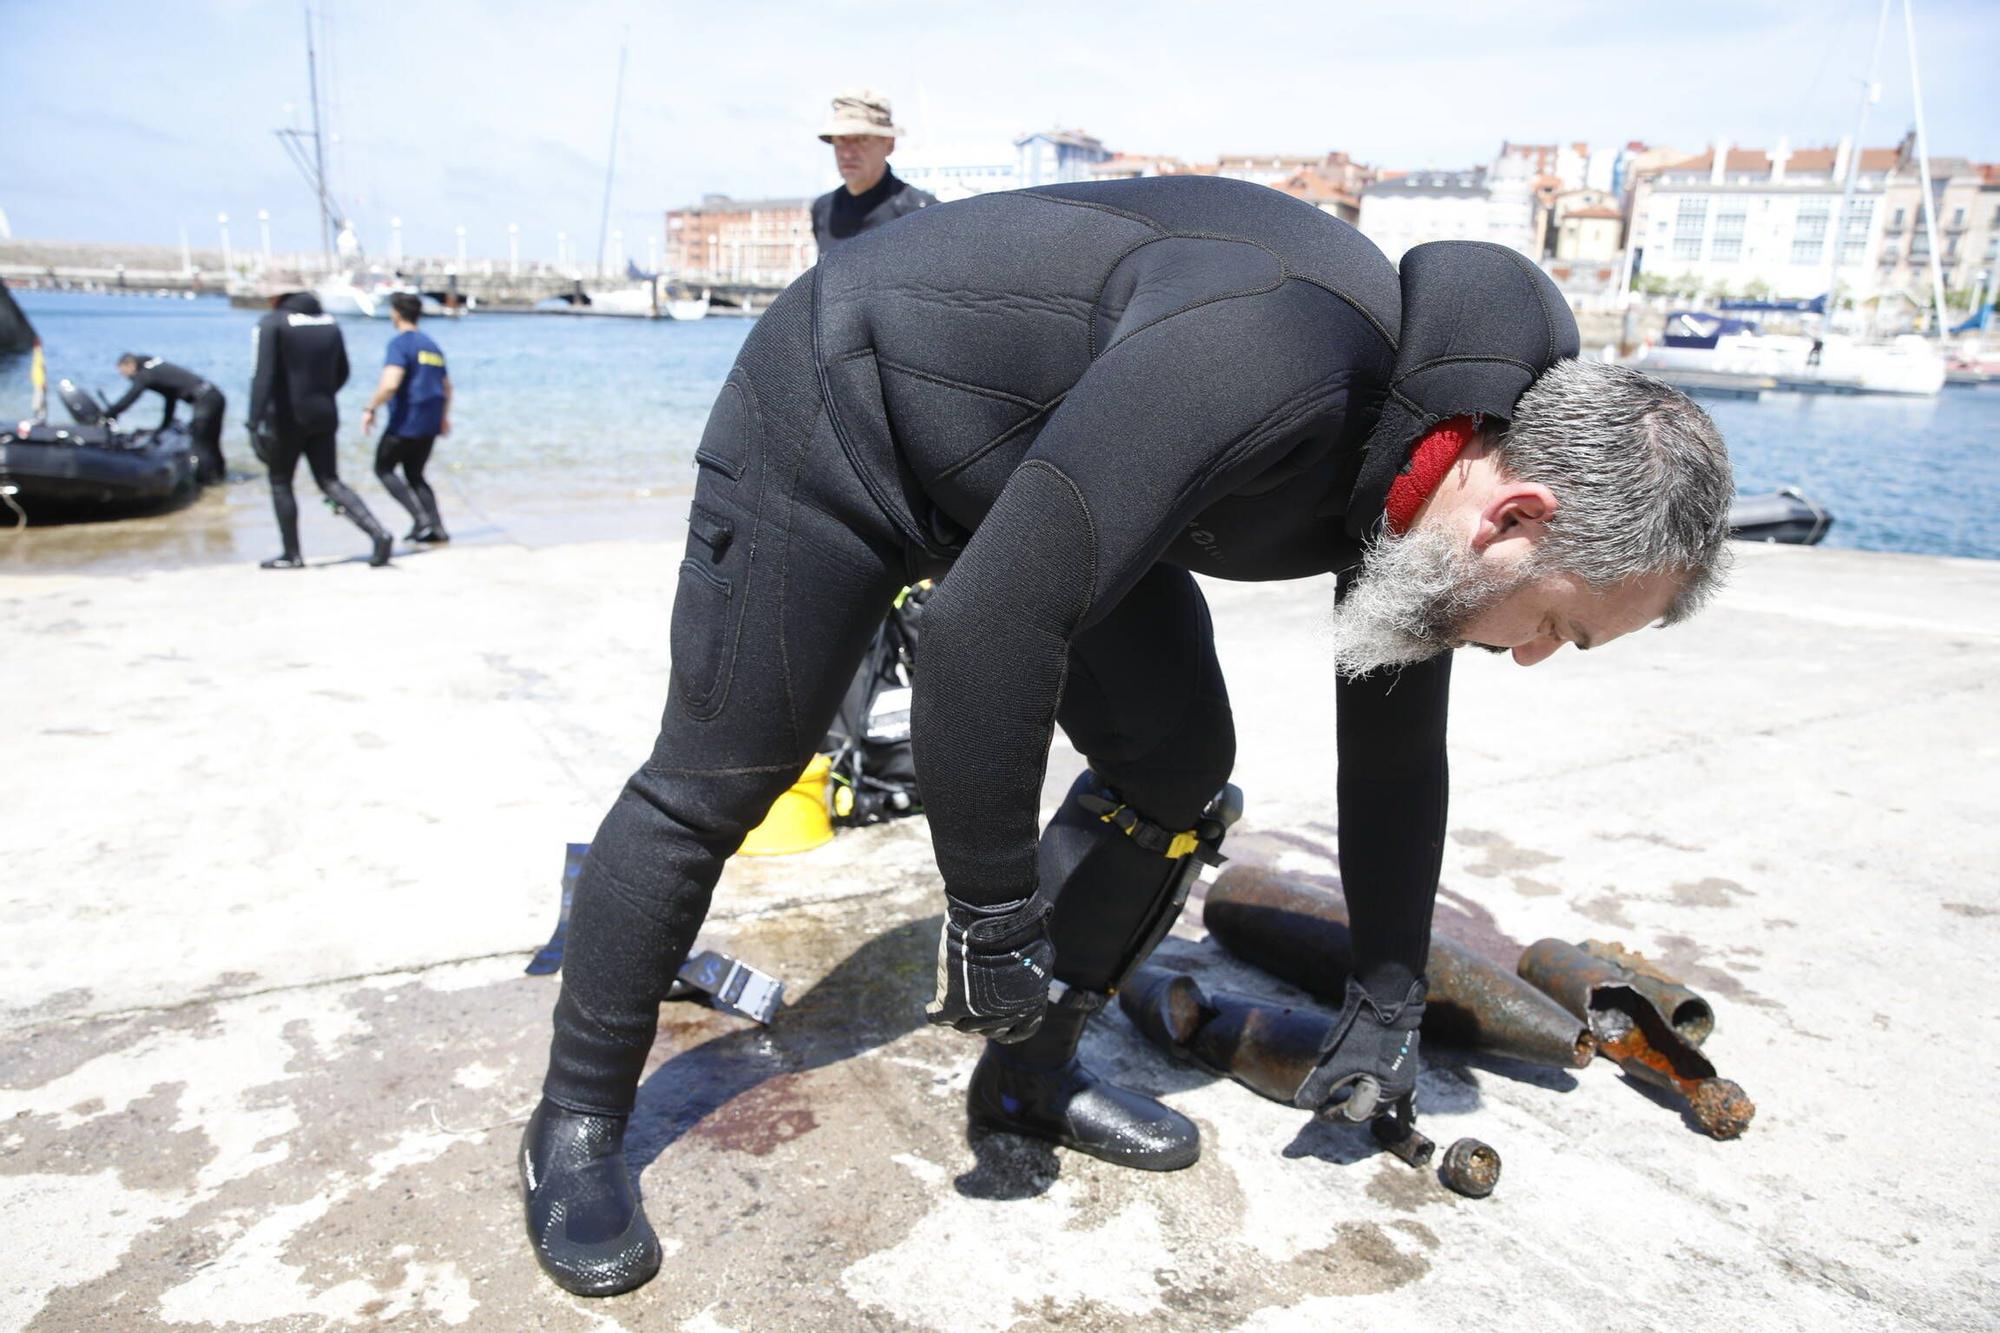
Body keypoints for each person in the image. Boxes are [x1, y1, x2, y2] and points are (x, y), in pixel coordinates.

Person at [520, 175, 1735, 1296]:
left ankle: (1029, 1075)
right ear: (1514, 518)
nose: (1529, 657)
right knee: (715, 779)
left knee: (1175, 769)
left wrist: (1385, 998)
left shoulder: (1452, 450)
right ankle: (573, 1123)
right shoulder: (1277, 354)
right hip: (847, 409)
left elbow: (1394, 749)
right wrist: (990, 909)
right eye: (1558, 627)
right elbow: (980, 634)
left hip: (1042, 476)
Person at [247, 292, 393, 569]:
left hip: (285, 417)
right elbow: (343, 371)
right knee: (329, 480)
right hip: (324, 412)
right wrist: (321, 396)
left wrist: (253, 423)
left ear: (279, 298)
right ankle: (378, 533)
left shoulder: (272, 324)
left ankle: (292, 554)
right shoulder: (329, 324)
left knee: (280, 482)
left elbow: (262, 376)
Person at [361, 293, 452, 544]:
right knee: (415, 473)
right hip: (431, 420)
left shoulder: (400, 344)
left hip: (406, 420)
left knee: (383, 468)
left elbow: (390, 384)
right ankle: (436, 527)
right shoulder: (432, 345)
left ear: (396, 314)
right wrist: (443, 418)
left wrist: (370, 408)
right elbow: (447, 387)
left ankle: (420, 518)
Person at [809, 88, 935, 257]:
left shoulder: (922, 212)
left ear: (889, 144)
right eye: (840, 140)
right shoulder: (823, 210)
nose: (847, 153)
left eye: (861, 139)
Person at [104, 354, 227, 483]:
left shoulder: (146, 374)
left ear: (130, 364)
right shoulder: (155, 368)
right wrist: (165, 425)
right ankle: (220, 478)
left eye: (124, 372)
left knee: (201, 444)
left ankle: (205, 483)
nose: (126, 377)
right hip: (215, 396)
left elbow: (130, 397)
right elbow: (170, 398)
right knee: (212, 443)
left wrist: (109, 414)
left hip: (205, 401)